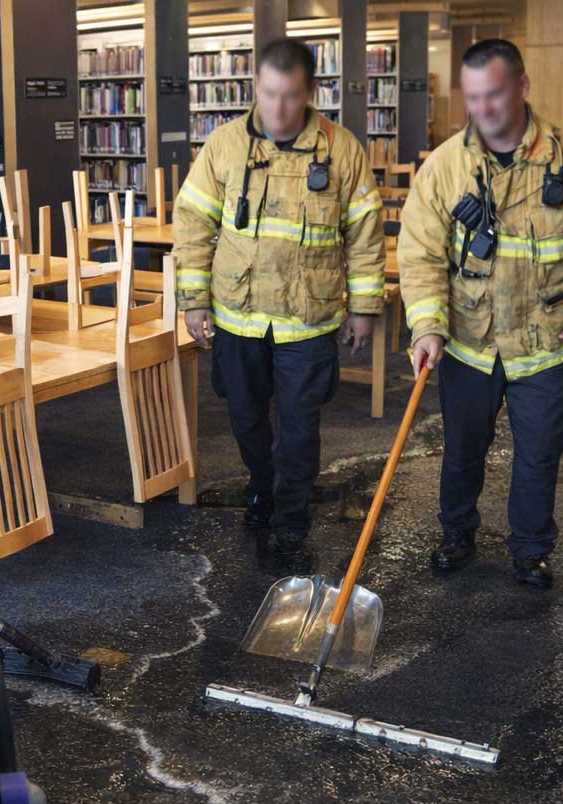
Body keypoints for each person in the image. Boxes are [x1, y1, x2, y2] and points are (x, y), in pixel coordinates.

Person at [398, 39, 563, 588]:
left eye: (493, 94)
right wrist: (427, 326)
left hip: (544, 340)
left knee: (541, 454)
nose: (484, 109)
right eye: (473, 98)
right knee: (462, 450)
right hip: (469, 342)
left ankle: (530, 551)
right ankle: (456, 532)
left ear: (522, 86)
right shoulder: (445, 167)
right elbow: (420, 254)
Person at [172, 38, 386, 563]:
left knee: (299, 428)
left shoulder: (342, 150)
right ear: (255, 89)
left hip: (308, 322)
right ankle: (262, 486)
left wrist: (363, 307)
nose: (278, 108)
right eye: (268, 94)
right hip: (238, 316)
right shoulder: (223, 146)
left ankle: (290, 517)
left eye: (290, 96)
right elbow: (193, 223)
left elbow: (364, 235)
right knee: (245, 419)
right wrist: (194, 300)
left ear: (311, 91)